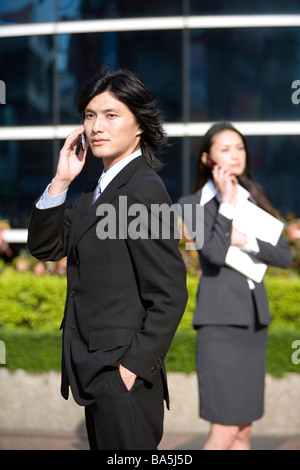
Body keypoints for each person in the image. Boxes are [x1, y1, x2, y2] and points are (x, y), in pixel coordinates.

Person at [27, 67, 188, 450]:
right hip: (95, 370)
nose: (96, 126)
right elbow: (47, 248)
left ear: (139, 126)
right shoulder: (94, 187)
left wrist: (129, 370)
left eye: (111, 115)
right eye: (89, 115)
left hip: (122, 377)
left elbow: (169, 294)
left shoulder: (144, 190)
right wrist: (61, 182)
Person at [178, 121, 293, 450]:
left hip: (254, 322)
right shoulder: (192, 204)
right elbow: (212, 253)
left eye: (239, 148)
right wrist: (227, 203)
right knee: (224, 430)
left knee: (243, 429)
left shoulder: (254, 197)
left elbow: (284, 256)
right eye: (225, 149)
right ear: (206, 159)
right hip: (220, 324)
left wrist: (245, 239)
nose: (235, 155)